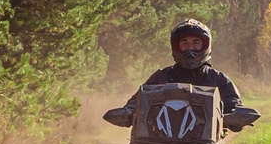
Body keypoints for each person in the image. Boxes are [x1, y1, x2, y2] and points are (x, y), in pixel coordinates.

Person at [105, 19, 255, 127]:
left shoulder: (218, 79)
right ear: (177, 47)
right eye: (185, 43)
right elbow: (137, 101)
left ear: (205, 46)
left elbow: (234, 105)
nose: (190, 48)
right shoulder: (161, 76)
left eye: (196, 42)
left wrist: (236, 117)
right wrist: (127, 113)